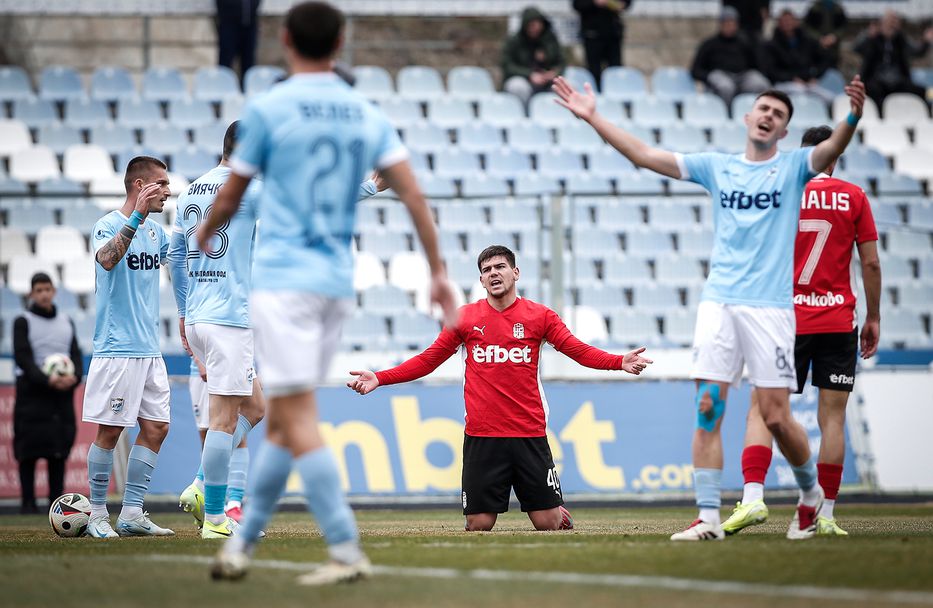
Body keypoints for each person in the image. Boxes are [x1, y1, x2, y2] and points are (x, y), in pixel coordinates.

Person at [198, 1, 456, 585]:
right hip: (335, 283)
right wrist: (438, 271)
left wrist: (208, 229)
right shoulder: (364, 111)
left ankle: (344, 548)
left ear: (285, 40)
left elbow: (233, 191)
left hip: (284, 282)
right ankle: (240, 545)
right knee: (283, 425)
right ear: (340, 43)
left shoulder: (268, 109)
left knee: (297, 418)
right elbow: (412, 195)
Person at [551, 69, 866, 541]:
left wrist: (852, 117)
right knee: (707, 405)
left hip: (771, 310)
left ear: (784, 131)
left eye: (778, 114)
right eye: (763, 109)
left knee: (776, 416)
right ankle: (709, 518)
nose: (769, 116)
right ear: (747, 118)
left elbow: (830, 148)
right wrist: (594, 117)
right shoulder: (718, 167)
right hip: (719, 304)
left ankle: (809, 493)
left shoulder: (795, 167)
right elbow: (644, 156)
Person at [348, 245, 652, 531]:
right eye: (486, 269)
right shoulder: (464, 318)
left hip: (528, 432)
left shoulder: (540, 316)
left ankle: (557, 511)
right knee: (479, 524)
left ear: (515, 273)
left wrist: (618, 361)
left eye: (500, 266)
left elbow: (577, 350)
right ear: (481, 280)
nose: (493, 273)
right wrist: (380, 378)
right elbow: (428, 360)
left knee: (547, 523)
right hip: (482, 435)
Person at [723, 125, 881, 538]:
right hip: (838, 321)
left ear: (803, 155)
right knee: (833, 418)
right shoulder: (854, 196)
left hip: (785, 318)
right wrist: (874, 317)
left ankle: (753, 498)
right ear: (834, 159)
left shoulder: (781, 193)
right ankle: (825, 514)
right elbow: (871, 263)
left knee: (761, 408)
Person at [167, 121, 267, 539]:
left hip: (199, 317)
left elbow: (175, 256)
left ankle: (199, 483)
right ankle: (214, 518)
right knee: (224, 422)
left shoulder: (191, 189)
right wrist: (369, 187)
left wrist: (183, 312)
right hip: (228, 320)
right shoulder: (249, 189)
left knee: (255, 407)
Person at [82, 156, 174, 538]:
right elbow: (106, 260)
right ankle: (97, 515)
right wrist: (135, 217)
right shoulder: (107, 225)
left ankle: (132, 512)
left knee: (157, 427)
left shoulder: (157, 234)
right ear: (140, 185)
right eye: (161, 184)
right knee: (110, 431)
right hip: (117, 348)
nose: (167, 191)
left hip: (150, 349)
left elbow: (183, 259)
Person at [12, 273, 82, 514]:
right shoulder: (23, 321)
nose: (44, 294)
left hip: (61, 396)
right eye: (39, 290)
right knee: (28, 452)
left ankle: (57, 504)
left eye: (47, 289)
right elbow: (22, 357)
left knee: (58, 451)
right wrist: (47, 379)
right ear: (31, 294)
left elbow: (75, 354)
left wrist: (74, 378)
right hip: (32, 394)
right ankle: (28, 504)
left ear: (54, 292)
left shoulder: (66, 321)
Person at [690, 6, 770, 105]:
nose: (729, 26)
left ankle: (756, 110)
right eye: (726, 23)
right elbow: (696, 70)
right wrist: (709, 76)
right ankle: (726, 112)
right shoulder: (709, 44)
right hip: (720, 75)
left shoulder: (745, 43)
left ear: (737, 25)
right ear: (720, 24)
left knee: (760, 83)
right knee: (726, 87)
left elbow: (756, 65)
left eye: (732, 23)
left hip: (742, 76)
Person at [855, 10, 933, 108]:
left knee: (922, 91)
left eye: (894, 23)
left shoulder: (900, 39)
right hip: (875, 79)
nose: (891, 26)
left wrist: (926, 42)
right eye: (889, 22)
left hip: (897, 80)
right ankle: (880, 114)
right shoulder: (872, 38)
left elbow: (916, 52)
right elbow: (856, 48)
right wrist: (867, 35)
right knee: (873, 91)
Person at [763, 10, 835, 103]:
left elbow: (824, 60)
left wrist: (816, 76)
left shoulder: (808, 41)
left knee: (829, 98)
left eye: (790, 20)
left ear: (796, 22)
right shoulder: (772, 45)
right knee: (800, 93)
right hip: (783, 84)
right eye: (784, 21)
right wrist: (791, 78)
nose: (787, 23)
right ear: (779, 23)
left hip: (807, 83)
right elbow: (771, 70)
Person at [501, 6, 567, 105]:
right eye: (531, 25)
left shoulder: (550, 40)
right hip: (524, 80)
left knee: (565, 86)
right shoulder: (514, 41)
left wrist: (554, 73)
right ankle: (523, 113)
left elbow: (561, 62)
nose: (535, 28)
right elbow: (507, 66)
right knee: (518, 86)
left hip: (547, 82)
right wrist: (529, 75)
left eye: (538, 24)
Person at [572, 0, 633, 88]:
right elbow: (577, 5)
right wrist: (594, 3)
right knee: (594, 70)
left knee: (615, 68)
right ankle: (594, 92)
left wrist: (619, 5)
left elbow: (626, 3)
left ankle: (615, 91)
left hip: (613, 34)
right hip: (592, 34)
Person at [216, 0, 262, 81]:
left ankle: (246, 87)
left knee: (249, 65)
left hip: (250, 24)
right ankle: (222, 85)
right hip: (229, 24)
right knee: (225, 64)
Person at [803, 0, 848, 69]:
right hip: (816, 46)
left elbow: (843, 26)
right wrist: (819, 38)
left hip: (834, 46)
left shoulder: (838, 9)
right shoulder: (814, 8)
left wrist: (834, 36)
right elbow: (807, 26)